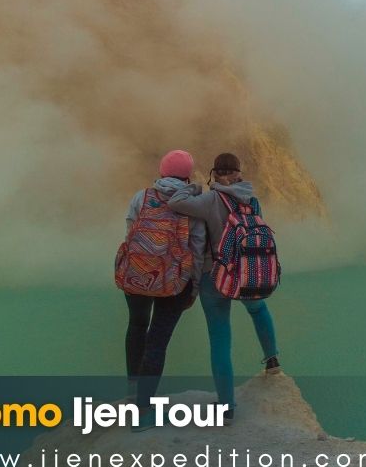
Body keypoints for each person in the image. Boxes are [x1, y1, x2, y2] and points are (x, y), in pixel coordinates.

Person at [168, 152, 280, 419]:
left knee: (220, 338)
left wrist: (195, 186)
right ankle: (272, 360)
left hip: (214, 277)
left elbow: (176, 202)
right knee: (258, 309)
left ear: (215, 173)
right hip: (247, 273)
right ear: (239, 173)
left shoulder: (210, 200)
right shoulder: (252, 199)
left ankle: (227, 406)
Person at [118, 149, 205, 422]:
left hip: (137, 276)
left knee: (136, 326)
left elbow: (130, 231)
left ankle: (133, 392)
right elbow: (198, 247)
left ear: (162, 172)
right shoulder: (194, 203)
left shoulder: (141, 197)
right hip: (175, 281)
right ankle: (144, 407)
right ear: (188, 174)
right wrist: (195, 286)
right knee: (157, 341)